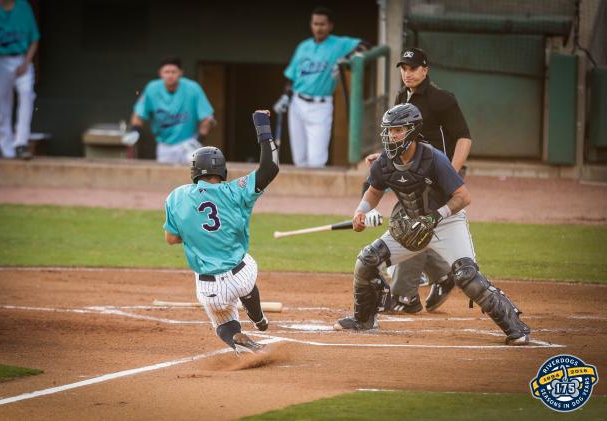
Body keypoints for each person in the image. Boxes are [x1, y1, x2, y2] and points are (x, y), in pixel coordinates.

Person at [334, 103, 531, 346]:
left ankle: (516, 327)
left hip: (447, 220)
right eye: (389, 130)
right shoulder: (384, 161)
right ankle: (364, 320)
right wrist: (361, 211)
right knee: (367, 260)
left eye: (398, 130)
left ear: (412, 131)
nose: (392, 135)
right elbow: (374, 191)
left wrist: (435, 217)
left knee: (467, 275)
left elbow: (463, 197)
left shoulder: (433, 158)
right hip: (412, 225)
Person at [363, 47, 473, 314]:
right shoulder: (403, 97)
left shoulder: (441, 99)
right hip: (414, 175)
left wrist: (451, 172)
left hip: (439, 176)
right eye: (403, 68)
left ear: (425, 70)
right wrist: (386, 157)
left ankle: (405, 295)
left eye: (412, 68)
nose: (407, 73)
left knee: (411, 225)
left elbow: (464, 137)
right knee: (414, 226)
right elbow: (405, 140)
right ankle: (442, 274)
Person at [163, 110, 279, 354]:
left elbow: (171, 238)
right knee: (246, 262)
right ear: (223, 170)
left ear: (194, 171)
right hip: (241, 275)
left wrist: (196, 232)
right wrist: (262, 124)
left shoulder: (177, 196)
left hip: (209, 289)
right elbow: (270, 167)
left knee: (223, 324)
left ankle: (237, 337)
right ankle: (258, 318)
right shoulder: (235, 191)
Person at [273, 6, 366, 167]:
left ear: (330, 26)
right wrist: (285, 96)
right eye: (315, 24)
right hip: (297, 103)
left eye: (322, 24)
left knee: (316, 160)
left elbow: (365, 45)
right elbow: (291, 76)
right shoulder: (303, 46)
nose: (319, 28)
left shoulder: (339, 43)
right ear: (311, 25)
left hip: (321, 106)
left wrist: (347, 59)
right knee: (299, 159)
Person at [0, 0, 40, 160]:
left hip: (22, 59)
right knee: (2, 105)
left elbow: (34, 39)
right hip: (0, 60)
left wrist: (26, 62)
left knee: (26, 95)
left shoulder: (23, 7)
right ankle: (7, 149)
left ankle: (21, 143)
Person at [125, 56, 215, 164]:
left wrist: (199, 140)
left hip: (188, 143)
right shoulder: (152, 88)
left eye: (173, 72)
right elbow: (138, 114)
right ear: (160, 73)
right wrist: (135, 130)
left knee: (193, 176)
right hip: (164, 144)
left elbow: (207, 118)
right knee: (165, 178)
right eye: (166, 72)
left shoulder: (193, 88)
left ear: (180, 73)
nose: (170, 75)